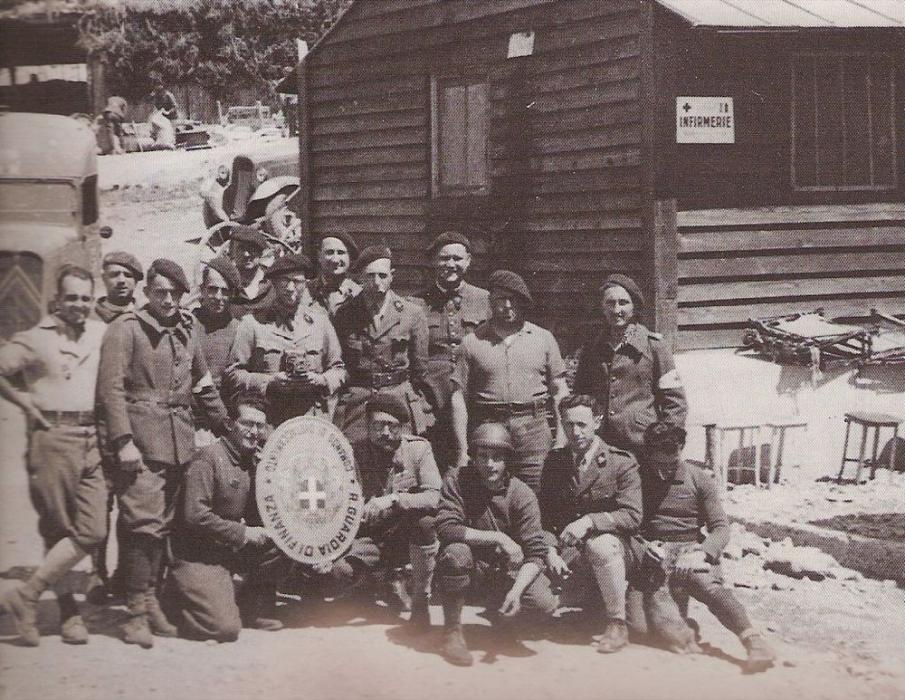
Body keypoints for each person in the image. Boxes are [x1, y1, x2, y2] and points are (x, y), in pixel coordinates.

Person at [96, 258, 229, 648]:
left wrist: (227, 428)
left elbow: (204, 385)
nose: (168, 300)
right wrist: (122, 442)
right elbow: (111, 391)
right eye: (160, 292)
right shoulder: (127, 330)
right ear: (147, 292)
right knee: (142, 525)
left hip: (178, 445)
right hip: (139, 445)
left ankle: (152, 600)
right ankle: (135, 612)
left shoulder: (187, 330)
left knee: (165, 525)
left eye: (175, 293)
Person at [0, 265, 107, 646]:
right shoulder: (34, 338)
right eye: (71, 298)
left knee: (93, 529)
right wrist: (24, 403)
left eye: (85, 298)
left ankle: (26, 595)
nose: (79, 305)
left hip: (91, 437)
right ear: (57, 300)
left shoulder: (100, 333)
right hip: (52, 438)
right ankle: (67, 613)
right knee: (58, 529)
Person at [633, 421, 776, 673]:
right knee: (642, 630)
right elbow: (630, 523)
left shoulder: (698, 479)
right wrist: (644, 546)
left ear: (680, 451)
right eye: (659, 463)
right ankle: (680, 626)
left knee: (709, 587)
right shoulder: (638, 478)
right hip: (655, 553)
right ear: (649, 454)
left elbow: (721, 527)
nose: (666, 470)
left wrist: (703, 552)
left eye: (672, 461)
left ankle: (753, 641)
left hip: (691, 550)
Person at [167, 392, 293, 641]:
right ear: (230, 424)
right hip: (197, 554)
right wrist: (243, 533)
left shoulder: (255, 463)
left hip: (228, 551)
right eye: (247, 423)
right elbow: (194, 516)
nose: (254, 431)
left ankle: (252, 606)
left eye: (259, 425)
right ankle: (172, 598)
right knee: (225, 629)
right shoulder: (208, 458)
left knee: (287, 540)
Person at [435, 423, 559, 667]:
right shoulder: (457, 480)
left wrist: (516, 591)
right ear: (473, 457)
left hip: (505, 572)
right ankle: (452, 631)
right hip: (471, 566)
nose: (490, 464)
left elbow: (536, 553)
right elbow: (447, 528)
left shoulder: (521, 494)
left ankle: (501, 616)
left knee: (543, 604)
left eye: (497, 458)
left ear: (507, 461)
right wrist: (499, 537)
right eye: (483, 457)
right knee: (455, 554)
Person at [326, 392, 441, 629]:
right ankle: (372, 582)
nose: (385, 433)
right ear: (367, 425)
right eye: (378, 426)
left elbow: (435, 496)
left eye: (392, 426)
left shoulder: (418, 451)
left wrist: (393, 499)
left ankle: (416, 593)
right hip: (368, 535)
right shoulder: (352, 453)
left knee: (426, 522)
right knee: (342, 571)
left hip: (403, 536)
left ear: (403, 427)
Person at [539, 394, 642, 653]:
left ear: (597, 422)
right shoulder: (555, 462)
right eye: (569, 425)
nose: (575, 432)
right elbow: (546, 518)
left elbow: (632, 515)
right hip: (572, 554)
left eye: (582, 424)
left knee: (601, 545)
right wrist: (550, 550)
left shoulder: (620, 462)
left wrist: (589, 521)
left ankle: (617, 623)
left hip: (618, 551)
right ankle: (588, 601)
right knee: (536, 604)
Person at [449, 270, 568, 493]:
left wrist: (561, 439)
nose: (507, 305)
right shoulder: (472, 343)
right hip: (488, 428)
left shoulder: (543, 339)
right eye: (500, 299)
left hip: (533, 430)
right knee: (486, 493)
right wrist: (462, 450)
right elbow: (459, 398)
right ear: (490, 302)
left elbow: (559, 391)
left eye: (514, 299)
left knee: (537, 491)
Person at [225, 253, 346, 426]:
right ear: (274, 284)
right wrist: (269, 381)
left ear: (305, 284)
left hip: (312, 419)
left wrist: (320, 380)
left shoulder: (321, 323)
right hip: (269, 421)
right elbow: (233, 375)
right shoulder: (253, 324)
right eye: (284, 281)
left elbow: (339, 370)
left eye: (297, 281)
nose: (290, 288)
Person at [573, 274, 687, 456]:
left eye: (623, 303)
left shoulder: (654, 347)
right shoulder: (592, 348)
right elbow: (581, 395)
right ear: (602, 307)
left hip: (642, 444)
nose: (616, 309)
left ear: (634, 307)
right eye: (610, 303)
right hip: (602, 445)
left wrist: (665, 443)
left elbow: (675, 402)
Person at [332, 246, 432, 444]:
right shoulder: (344, 314)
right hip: (359, 399)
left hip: (398, 396)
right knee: (354, 455)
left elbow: (420, 369)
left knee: (400, 456)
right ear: (360, 277)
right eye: (370, 276)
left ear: (392, 276)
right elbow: (338, 362)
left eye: (382, 275)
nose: (377, 282)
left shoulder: (412, 314)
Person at [414, 231, 490, 472]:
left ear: (468, 261)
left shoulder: (484, 299)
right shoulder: (417, 303)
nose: (451, 265)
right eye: (444, 258)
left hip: (474, 397)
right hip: (432, 400)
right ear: (434, 261)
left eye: (457, 259)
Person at [193, 257, 243, 443]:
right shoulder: (187, 325)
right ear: (202, 290)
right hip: (189, 419)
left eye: (225, 291)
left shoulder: (238, 329)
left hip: (223, 423)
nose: (218, 297)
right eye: (212, 289)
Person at [308, 233, 361, 319]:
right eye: (329, 252)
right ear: (319, 256)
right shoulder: (307, 291)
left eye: (341, 252)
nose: (335, 260)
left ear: (349, 258)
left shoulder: (358, 294)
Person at [228, 225, 274, 318]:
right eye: (241, 248)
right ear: (232, 252)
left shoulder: (273, 280)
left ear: (260, 252)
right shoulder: (226, 283)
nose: (246, 254)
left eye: (251, 248)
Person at [95, 251, 143, 323]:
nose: (121, 280)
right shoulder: (89, 315)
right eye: (114, 274)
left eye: (128, 275)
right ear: (104, 278)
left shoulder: (145, 318)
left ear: (135, 281)